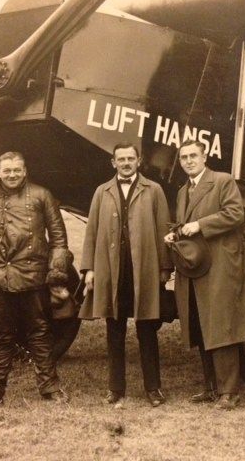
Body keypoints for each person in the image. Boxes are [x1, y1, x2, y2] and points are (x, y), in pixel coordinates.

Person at [0, 151, 70, 411]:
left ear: (25, 171)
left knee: (40, 333)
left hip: (34, 278)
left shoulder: (43, 196)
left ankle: (50, 387)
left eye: (17, 170)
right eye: (7, 170)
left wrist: (56, 277)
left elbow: (58, 240)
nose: (12, 175)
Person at [164, 140, 245, 410]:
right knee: (200, 324)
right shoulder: (183, 191)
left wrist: (200, 225)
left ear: (205, 157)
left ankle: (230, 391)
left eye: (194, 156)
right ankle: (211, 387)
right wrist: (176, 232)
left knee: (222, 326)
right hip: (195, 267)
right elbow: (186, 225)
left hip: (220, 266)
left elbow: (235, 214)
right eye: (184, 158)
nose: (189, 161)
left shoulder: (222, 181)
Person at [80, 143, 172, 407]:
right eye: (121, 159)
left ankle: (153, 389)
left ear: (139, 161)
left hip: (143, 269)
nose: (126, 163)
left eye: (130, 158)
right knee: (114, 330)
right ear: (113, 163)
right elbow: (92, 231)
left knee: (147, 330)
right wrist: (89, 269)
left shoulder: (153, 190)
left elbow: (162, 230)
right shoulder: (102, 192)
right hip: (112, 270)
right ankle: (115, 388)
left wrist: (164, 268)